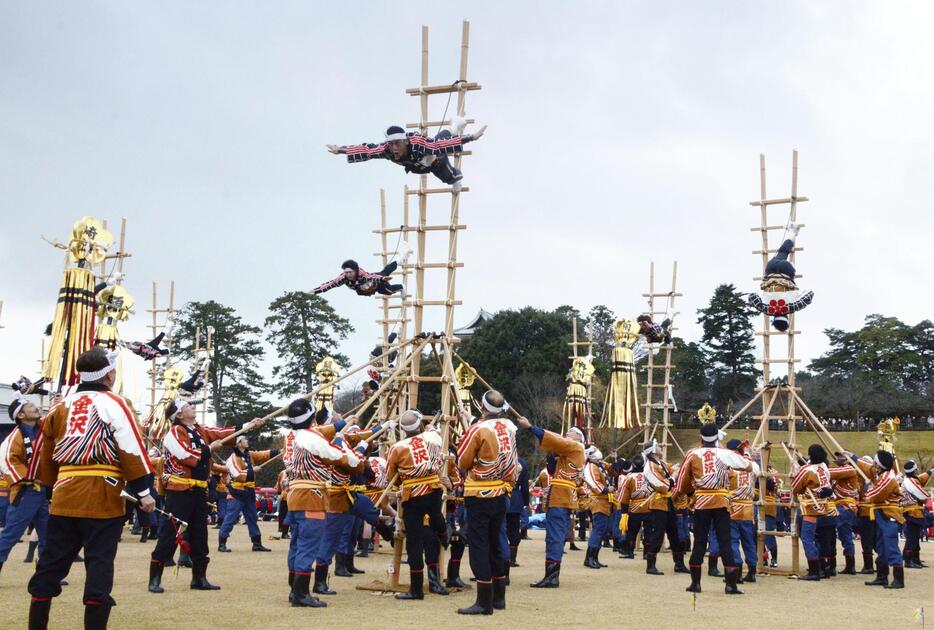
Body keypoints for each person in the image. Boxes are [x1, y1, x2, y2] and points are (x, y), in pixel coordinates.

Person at [27, 348, 155, 630]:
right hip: (102, 495)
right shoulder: (115, 402)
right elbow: (130, 447)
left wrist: (49, 490)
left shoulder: (61, 407)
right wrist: (144, 492)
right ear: (109, 374)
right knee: (98, 564)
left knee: (50, 564)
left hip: (64, 494)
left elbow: (45, 452)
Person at [148, 400, 251, 594]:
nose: (192, 407)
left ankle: (199, 577)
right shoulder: (174, 433)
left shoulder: (199, 429)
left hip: (198, 492)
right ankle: (155, 577)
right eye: (187, 406)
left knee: (199, 535)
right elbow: (185, 454)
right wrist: (209, 448)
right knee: (171, 532)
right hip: (179, 491)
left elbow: (220, 433)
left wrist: (246, 426)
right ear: (179, 415)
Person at [283, 398, 354, 608]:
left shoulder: (297, 436)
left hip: (295, 495)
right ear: (313, 418)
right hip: (311, 497)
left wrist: (342, 426)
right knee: (308, 545)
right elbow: (337, 456)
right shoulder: (312, 437)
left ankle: (294, 589)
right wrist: (350, 452)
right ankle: (301, 594)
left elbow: (327, 432)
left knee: (296, 544)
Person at [455, 391, 519, 615]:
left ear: (482, 408)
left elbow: (463, 459)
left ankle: (484, 601)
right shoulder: (510, 427)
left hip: (480, 493)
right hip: (502, 492)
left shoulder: (478, 429)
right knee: (495, 542)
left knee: (480, 545)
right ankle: (499, 597)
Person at [672, 423, 753, 595]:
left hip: (701, 501)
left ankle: (696, 584)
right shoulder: (725, 454)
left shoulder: (693, 454)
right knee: (725, 541)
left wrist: (690, 491)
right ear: (717, 437)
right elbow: (746, 468)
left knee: (700, 541)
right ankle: (731, 585)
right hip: (722, 501)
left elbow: (682, 482)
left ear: (700, 437)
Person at [386, 409, 449, 601]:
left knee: (414, 541)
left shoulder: (397, 447)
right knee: (436, 518)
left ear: (403, 429)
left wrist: (403, 481)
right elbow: (432, 433)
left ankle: (416, 589)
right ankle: (443, 532)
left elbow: (391, 476)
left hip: (413, 495)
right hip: (434, 489)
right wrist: (428, 429)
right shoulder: (433, 438)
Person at [327, 117, 487, 192]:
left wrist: (471, 137)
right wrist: (340, 150)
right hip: (417, 167)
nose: (393, 148)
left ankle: (454, 127)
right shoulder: (387, 150)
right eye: (391, 144)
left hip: (434, 161)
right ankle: (453, 129)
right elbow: (367, 150)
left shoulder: (418, 143)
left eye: (397, 144)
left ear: (405, 142)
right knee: (435, 145)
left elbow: (440, 145)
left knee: (451, 177)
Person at [516, 417, 585, 589]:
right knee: (555, 533)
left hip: (561, 495)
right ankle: (551, 574)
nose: (567, 434)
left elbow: (556, 440)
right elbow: (553, 469)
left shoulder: (576, 447)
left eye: (571, 433)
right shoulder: (569, 453)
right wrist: (551, 453)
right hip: (561, 495)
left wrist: (531, 427)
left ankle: (552, 576)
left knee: (554, 534)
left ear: (579, 438)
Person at [0, 392, 50, 577]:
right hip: (25, 491)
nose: (35, 407)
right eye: (30, 407)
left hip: (41, 491)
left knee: (47, 534)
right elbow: (8, 460)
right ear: (20, 415)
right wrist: (28, 477)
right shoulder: (15, 437)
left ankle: (45, 574)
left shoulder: (43, 428)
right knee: (11, 535)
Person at [747, 223, 814, 331]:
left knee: (790, 273)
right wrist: (751, 302)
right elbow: (753, 295)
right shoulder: (767, 309)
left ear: (787, 318)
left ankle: (792, 264)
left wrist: (799, 298)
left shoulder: (791, 307)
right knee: (782, 252)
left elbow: (809, 295)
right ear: (774, 319)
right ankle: (792, 232)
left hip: (787, 271)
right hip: (770, 269)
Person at [217, 436, 278, 553]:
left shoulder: (249, 454)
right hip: (237, 492)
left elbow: (262, 454)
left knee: (252, 518)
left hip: (249, 492)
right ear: (238, 444)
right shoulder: (233, 458)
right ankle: (222, 543)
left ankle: (256, 543)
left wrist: (278, 452)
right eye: (244, 439)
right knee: (230, 518)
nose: (247, 441)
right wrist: (251, 471)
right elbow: (237, 474)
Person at [642, 440, 688, 575]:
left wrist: (675, 473)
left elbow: (674, 469)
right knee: (658, 534)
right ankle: (650, 565)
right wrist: (673, 478)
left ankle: (679, 564)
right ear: (653, 451)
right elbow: (663, 486)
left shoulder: (660, 463)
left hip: (667, 502)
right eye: (658, 446)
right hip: (658, 503)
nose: (661, 447)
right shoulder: (649, 467)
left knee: (674, 533)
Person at [863, 450, 905, 589]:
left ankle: (899, 579)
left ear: (880, 464)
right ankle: (882, 576)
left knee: (891, 546)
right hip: (881, 513)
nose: (873, 464)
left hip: (889, 515)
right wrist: (852, 457)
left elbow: (875, 496)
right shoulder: (883, 476)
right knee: (881, 545)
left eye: (875, 462)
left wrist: (869, 488)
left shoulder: (887, 478)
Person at [725, 440, 760, 583]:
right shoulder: (751, 466)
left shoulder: (729, 466)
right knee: (749, 541)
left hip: (733, 506)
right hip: (748, 508)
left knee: (732, 539)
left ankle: (737, 570)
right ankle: (752, 571)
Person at [582, 446, 612, 570]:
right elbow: (594, 483)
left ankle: (593, 557)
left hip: (603, 501)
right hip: (598, 500)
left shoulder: (599, 465)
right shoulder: (591, 467)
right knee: (598, 530)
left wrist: (614, 460)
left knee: (601, 530)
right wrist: (606, 489)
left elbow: (613, 470)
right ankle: (590, 558)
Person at [900, 460, 932, 569]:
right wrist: (926, 494)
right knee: (912, 538)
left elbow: (923, 477)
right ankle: (909, 561)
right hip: (912, 513)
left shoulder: (911, 480)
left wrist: (931, 471)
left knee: (915, 537)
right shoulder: (911, 482)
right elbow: (924, 496)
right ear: (915, 471)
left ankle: (915, 559)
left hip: (913, 512)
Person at [312, 259, 403, 297]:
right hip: (365, 289)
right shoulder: (343, 278)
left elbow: (371, 276)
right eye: (346, 272)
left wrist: (382, 279)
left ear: (355, 271)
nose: (348, 275)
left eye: (350, 272)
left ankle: (402, 286)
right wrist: (315, 291)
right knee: (384, 272)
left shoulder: (362, 275)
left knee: (388, 290)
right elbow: (330, 284)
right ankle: (398, 261)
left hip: (376, 282)